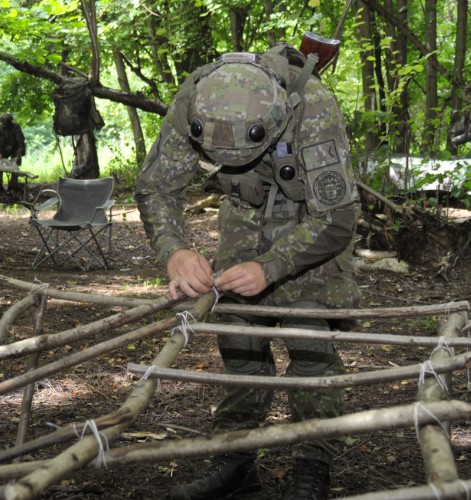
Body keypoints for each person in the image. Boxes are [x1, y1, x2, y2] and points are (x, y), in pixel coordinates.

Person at [135, 43, 361, 500]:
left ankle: (311, 469)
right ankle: (235, 464)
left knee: (310, 342)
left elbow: (336, 218)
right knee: (239, 336)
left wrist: (272, 265)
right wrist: (174, 249)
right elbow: (156, 188)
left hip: (309, 221)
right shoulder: (195, 98)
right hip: (244, 216)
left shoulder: (311, 106)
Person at [0, 113, 26, 193]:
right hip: (3, 149)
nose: (5, 122)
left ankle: (12, 186)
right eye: (4, 120)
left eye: (7, 120)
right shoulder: (0, 129)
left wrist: (17, 156)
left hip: (15, 148)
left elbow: (21, 143)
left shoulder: (16, 128)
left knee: (15, 166)